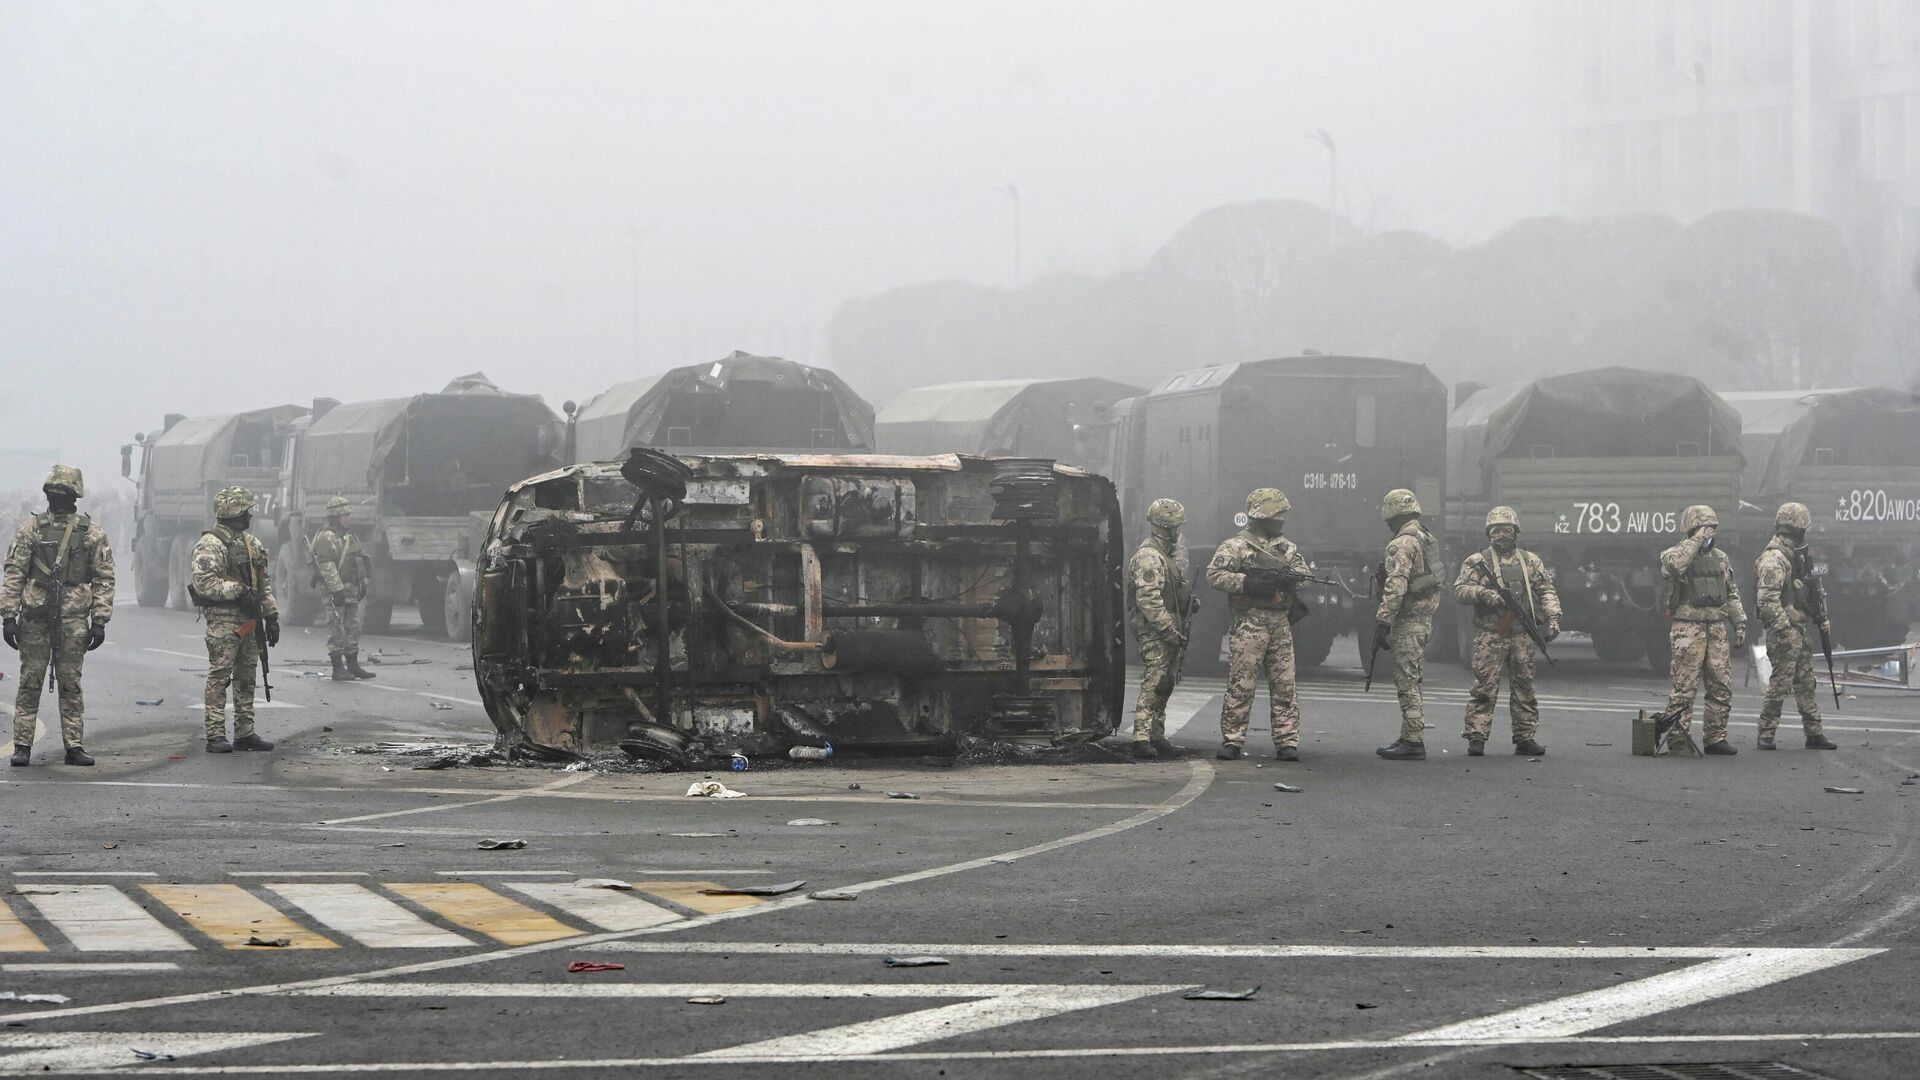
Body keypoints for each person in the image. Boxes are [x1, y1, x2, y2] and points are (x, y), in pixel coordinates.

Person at [3, 466, 115, 767]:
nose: (57, 497)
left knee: (70, 684)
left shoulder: (91, 533)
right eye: (53, 492)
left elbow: (104, 578)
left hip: (73, 619)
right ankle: (23, 745)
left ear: (74, 494)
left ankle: (74, 745)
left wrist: (100, 620)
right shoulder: (31, 529)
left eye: (62, 492)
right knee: (30, 682)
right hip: (36, 617)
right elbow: (14, 573)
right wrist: (9, 616)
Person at [1205, 488, 1311, 761]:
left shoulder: (1286, 549)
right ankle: (1232, 740)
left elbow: (1305, 574)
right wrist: (1247, 582)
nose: (1280, 520)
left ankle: (1287, 741)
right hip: (1249, 622)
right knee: (1241, 684)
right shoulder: (1236, 546)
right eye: (1276, 515)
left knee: (1285, 685)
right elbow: (1214, 575)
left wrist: (1290, 579)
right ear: (1262, 516)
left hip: (1279, 623)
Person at [1452, 506, 1561, 756]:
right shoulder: (1478, 562)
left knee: (1524, 686)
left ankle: (1525, 736)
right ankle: (1476, 736)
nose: (1502, 535)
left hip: (1521, 632)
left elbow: (1546, 590)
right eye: (1497, 530)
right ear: (1489, 534)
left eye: (1507, 530)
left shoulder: (1530, 561)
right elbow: (1459, 590)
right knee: (1484, 686)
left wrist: (1553, 618)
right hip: (1491, 633)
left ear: (1515, 532)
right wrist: (1484, 594)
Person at [190, 486, 278, 754]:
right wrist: (238, 592)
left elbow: (264, 585)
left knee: (247, 676)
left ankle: (245, 732)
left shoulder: (252, 544)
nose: (250, 516)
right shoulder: (210, 544)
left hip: (250, 621)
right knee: (220, 676)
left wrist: (271, 615)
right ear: (233, 511)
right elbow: (204, 583)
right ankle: (215, 734)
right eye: (246, 511)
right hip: (224, 620)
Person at [1657, 505, 1748, 756]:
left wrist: (1739, 623)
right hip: (1688, 627)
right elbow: (1676, 566)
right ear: (1691, 529)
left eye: (1711, 529)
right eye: (1703, 528)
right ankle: (1678, 737)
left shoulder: (1721, 558)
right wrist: (1695, 540)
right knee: (1684, 687)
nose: (1709, 533)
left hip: (1716, 628)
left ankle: (1715, 737)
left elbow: (1731, 593)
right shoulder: (1673, 554)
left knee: (1721, 685)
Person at [1753, 502, 1837, 751]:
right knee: (1780, 684)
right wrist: (1784, 629)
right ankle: (1766, 733)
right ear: (1797, 529)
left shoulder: (1793, 556)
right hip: (1785, 633)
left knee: (1805, 682)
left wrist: (1816, 617)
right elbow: (1766, 601)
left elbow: (1803, 594)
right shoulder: (1774, 558)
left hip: (1796, 629)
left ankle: (1814, 733)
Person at [1374, 488, 1443, 760]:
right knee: (1413, 676)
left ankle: (1413, 740)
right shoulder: (1426, 537)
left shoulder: (1402, 543)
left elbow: (1396, 585)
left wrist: (1383, 621)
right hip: (1424, 619)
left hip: (1408, 620)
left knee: (1407, 681)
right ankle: (1408, 735)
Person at [1126, 498, 1192, 759]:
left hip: (1166, 626)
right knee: (1155, 679)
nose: (1179, 533)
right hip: (1154, 629)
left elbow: (1167, 592)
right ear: (1167, 528)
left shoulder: (1166, 556)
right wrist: (1167, 629)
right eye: (1176, 527)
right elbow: (1148, 599)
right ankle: (1141, 736)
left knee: (1164, 682)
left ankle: (1156, 733)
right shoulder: (1149, 557)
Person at [311, 496, 376, 681]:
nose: (348, 518)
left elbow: (359, 560)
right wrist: (337, 590)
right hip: (336, 592)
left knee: (353, 627)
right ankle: (337, 668)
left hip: (352, 590)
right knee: (336, 629)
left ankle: (353, 665)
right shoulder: (326, 537)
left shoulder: (348, 535)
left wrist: (363, 583)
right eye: (344, 514)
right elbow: (327, 565)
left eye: (348, 514)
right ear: (335, 516)